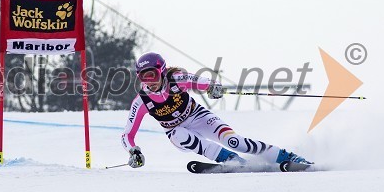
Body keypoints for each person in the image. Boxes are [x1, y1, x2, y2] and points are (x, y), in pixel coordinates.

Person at [121, 51, 313, 171]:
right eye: (143, 78)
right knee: (179, 134)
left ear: (162, 71)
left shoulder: (177, 78)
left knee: (234, 141)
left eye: (152, 75)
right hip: (176, 131)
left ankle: (287, 157)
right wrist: (133, 151)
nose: (149, 82)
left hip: (198, 117)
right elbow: (127, 135)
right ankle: (230, 159)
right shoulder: (142, 101)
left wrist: (214, 88)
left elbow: (204, 82)